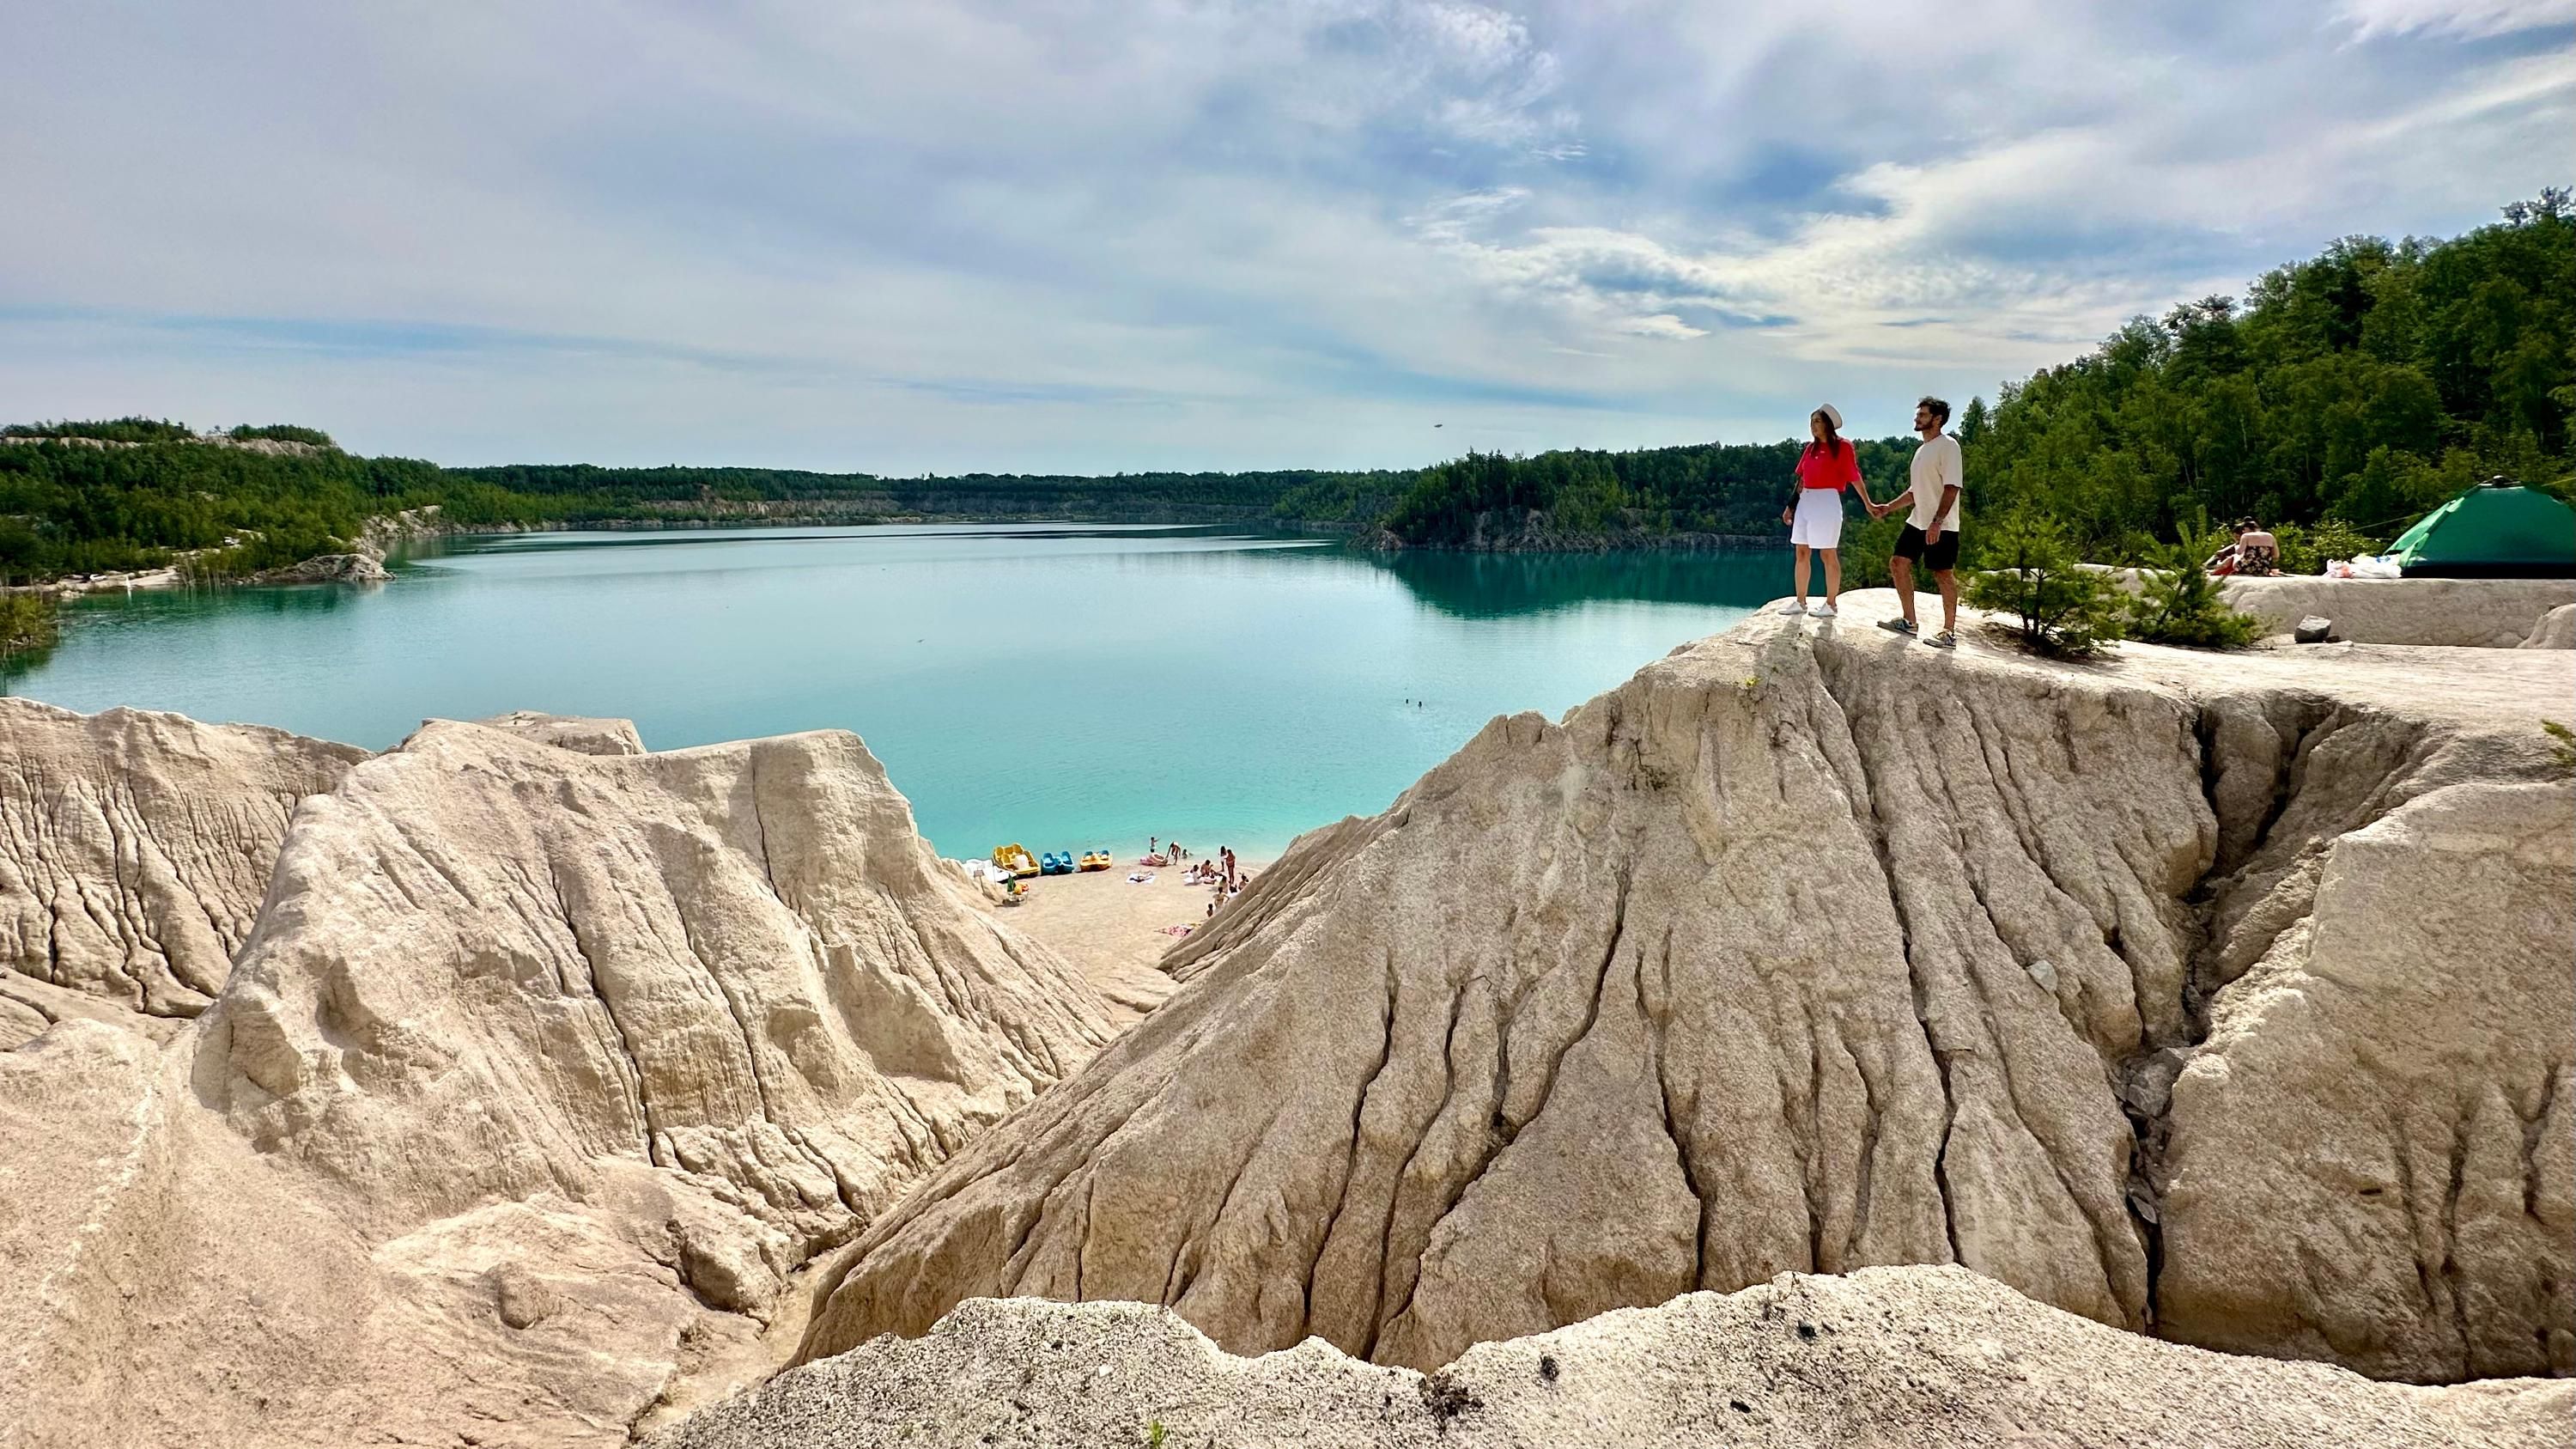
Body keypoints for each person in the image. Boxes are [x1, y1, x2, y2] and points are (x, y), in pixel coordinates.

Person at [1870, 396, 1964, 649]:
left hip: (1940, 524)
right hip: (1918, 520)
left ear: (1938, 419)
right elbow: (1914, 492)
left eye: (1922, 415)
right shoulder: (1921, 450)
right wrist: (1888, 507)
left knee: (1942, 573)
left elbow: (1953, 487)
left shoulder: (1949, 446)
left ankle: (1949, 633)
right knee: (1898, 563)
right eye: (1918, 414)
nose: (1917, 418)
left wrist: (1937, 522)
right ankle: (1909, 621)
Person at [1777, 404, 1871, 618]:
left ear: (1828, 424)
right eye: (1811, 422)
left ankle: (1831, 603)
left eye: (1817, 421)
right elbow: (1802, 480)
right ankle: (1801, 601)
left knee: (1827, 553)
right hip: (1807, 500)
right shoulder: (1810, 449)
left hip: (1827, 500)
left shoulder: (1843, 447)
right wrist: (1791, 506)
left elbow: (1854, 476)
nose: (1813, 426)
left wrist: (1867, 503)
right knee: (1802, 551)